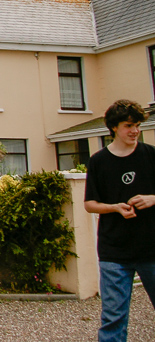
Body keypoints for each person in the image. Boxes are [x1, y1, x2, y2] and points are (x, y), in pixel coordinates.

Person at [84, 99, 155, 342]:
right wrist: (114, 207)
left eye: (137, 126)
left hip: (152, 248)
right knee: (113, 317)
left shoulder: (150, 155)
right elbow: (89, 204)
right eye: (129, 125)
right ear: (114, 127)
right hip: (114, 252)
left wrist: (153, 199)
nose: (135, 131)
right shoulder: (99, 161)